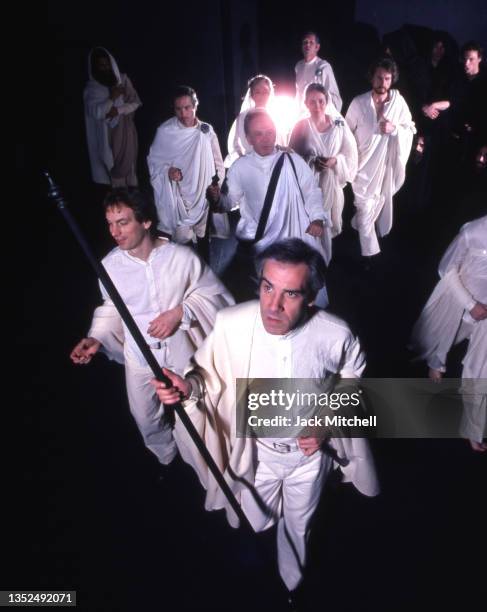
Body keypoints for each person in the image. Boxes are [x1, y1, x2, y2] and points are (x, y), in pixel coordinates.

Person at [151, 238, 379, 595]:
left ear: (311, 296)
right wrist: (186, 388)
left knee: (298, 526)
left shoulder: (336, 334)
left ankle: (292, 585)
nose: (272, 306)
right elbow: (206, 378)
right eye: (267, 287)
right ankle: (254, 578)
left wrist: (326, 422)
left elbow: (353, 377)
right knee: (254, 520)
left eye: (290, 294)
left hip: (310, 459)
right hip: (257, 456)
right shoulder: (232, 324)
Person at [70, 188, 234, 466]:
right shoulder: (110, 266)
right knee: (145, 416)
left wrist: (180, 311)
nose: (114, 231)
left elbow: (215, 296)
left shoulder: (181, 258)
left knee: (196, 405)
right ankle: (166, 459)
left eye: (123, 222)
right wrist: (96, 337)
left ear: (145, 221)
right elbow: (112, 306)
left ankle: (202, 462)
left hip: (182, 348)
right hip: (140, 353)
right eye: (110, 223)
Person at [208, 108, 331, 303]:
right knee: (266, 302)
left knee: (304, 298)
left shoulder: (291, 159)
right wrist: (215, 199)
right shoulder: (241, 167)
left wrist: (316, 217)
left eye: (270, 132)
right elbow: (228, 203)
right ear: (248, 138)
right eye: (258, 134)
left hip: (295, 240)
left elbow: (311, 191)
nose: (266, 138)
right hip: (261, 247)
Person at [410, 216, 487, 450]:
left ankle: (473, 429)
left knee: (480, 368)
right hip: (459, 306)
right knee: (434, 343)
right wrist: (470, 304)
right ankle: (435, 360)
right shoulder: (473, 232)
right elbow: (446, 268)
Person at [345, 58, 415, 259]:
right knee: (365, 207)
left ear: (392, 80)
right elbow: (346, 133)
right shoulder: (358, 102)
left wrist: (394, 130)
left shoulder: (398, 102)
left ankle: (366, 255)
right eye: (379, 77)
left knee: (373, 207)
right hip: (362, 166)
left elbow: (409, 127)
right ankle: (372, 257)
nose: (382, 83)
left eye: (387, 78)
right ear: (371, 77)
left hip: (385, 166)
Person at [147, 86, 228, 245]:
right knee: (182, 239)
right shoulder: (165, 131)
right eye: (178, 109)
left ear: (195, 106)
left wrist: (215, 186)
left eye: (187, 108)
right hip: (178, 195)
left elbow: (218, 164)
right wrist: (168, 171)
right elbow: (154, 162)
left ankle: (205, 268)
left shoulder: (206, 131)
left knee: (203, 237)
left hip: (203, 193)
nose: (183, 114)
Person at [290, 83, 358, 237]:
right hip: (309, 187)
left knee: (326, 233)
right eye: (312, 101)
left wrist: (335, 161)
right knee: (308, 230)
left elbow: (350, 153)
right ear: (306, 103)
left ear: (326, 101)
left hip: (331, 184)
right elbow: (291, 158)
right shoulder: (301, 126)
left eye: (321, 100)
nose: (317, 105)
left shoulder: (338, 124)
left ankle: (323, 259)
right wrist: (312, 161)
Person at [84, 47, 141, 187]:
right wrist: (111, 98)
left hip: (126, 134)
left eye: (107, 64)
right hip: (106, 138)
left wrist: (119, 110)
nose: (105, 68)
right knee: (114, 178)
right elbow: (97, 112)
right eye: (101, 65)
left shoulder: (122, 80)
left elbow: (136, 102)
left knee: (129, 173)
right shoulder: (92, 88)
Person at [225, 74, 278, 168]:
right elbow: (234, 143)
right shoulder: (243, 117)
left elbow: (281, 142)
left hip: (272, 163)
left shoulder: (276, 116)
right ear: (252, 95)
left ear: (270, 93)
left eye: (265, 92)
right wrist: (243, 159)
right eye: (257, 92)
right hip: (249, 164)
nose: (262, 96)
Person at [295, 31, 342, 114]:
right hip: (304, 116)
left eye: (311, 43)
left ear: (317, 47)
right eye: (305, 42)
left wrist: (328, 117)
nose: (307, 45)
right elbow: (298, 94)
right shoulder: (298, 66)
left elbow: (335, 97)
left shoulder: (324, 66)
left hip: (320, 115)